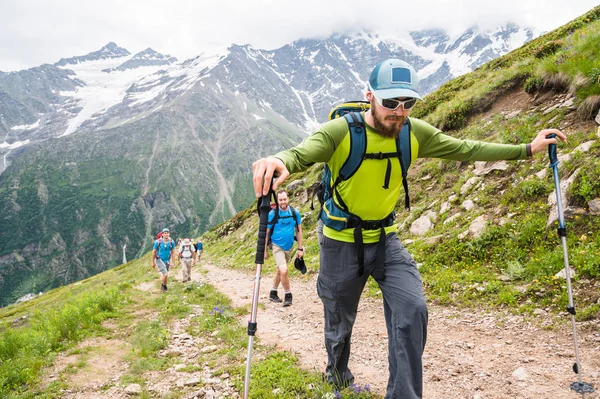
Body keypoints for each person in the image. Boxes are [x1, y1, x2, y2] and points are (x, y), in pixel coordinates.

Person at [251, 58, 567, 398]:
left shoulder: (414, 133)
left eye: (408, 103)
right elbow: (302, 153)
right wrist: (279, 161)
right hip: (339, 242)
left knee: (412, 310)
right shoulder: (341, 132)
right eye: (390, 102)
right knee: (338, 325)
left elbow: (466, 148)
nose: (399, 111)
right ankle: (338, 375)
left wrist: (527, 149)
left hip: (386, 239)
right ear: (369, 96)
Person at [264, 190, 304, 307]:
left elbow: (299, 230)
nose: (283, 202)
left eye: (284, 199)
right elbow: (266, 233)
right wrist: (264, 250)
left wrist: (300, 248)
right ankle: (288, 295)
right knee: (284, 270)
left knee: (279, 270)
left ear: (288, 199)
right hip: (276, 246)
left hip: (289, 246)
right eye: (280, 200)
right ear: (277, 201)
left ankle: (273, 292)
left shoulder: (294, 213)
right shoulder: (273, 214)